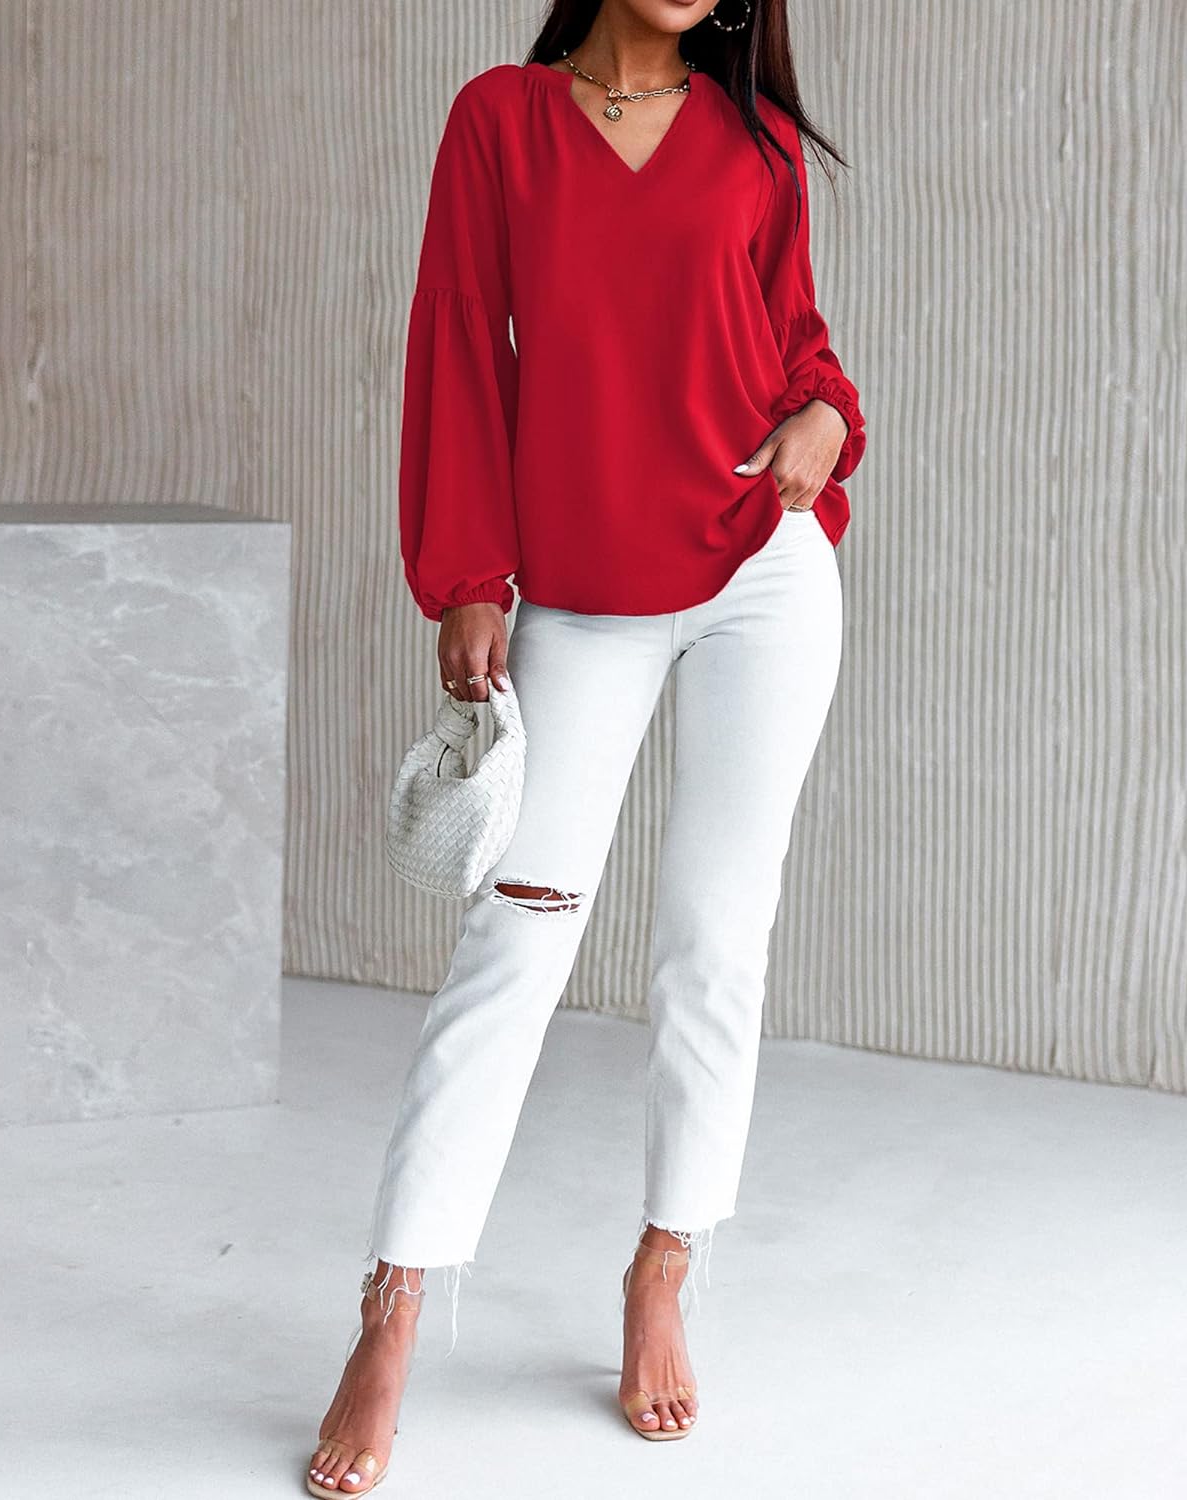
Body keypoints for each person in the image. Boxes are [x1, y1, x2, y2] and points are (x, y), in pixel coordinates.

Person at [306, 1, 866, 1491]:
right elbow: (457, 342)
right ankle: (393, 1307)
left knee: (716, 939)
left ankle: (665, 1266)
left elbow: (795, 341)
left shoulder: (755, 140)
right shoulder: (500, 119)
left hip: (764, 572)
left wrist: (824, 414)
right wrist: (470, 576)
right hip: (581, 596)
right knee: (517, 940)